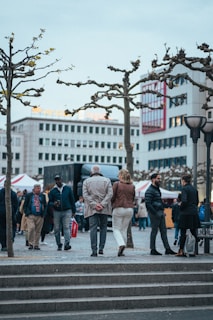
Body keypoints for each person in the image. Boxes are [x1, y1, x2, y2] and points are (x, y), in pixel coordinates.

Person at [83, 164, 113, 257]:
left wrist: (94, 204)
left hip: (92, 209)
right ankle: (101, 248)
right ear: (100, 172)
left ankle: (94, 250)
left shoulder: (86, 181)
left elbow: (85, 195)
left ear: (92, 172)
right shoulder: (107, 180)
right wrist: (102, 204)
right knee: (103, 227)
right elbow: (110, 194)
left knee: (93, 228)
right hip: (104, 209)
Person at [145, 173, 176, 256]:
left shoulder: (156, 189)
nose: (160, 180)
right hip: (155, 213)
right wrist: (155, 213)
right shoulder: (150, 190)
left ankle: (167, 249)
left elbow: (158, 202)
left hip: (160, 212)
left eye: (159, 178)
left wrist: (167, 206)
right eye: (158, 178)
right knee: (154, 231)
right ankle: (153, 249)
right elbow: (148, 203)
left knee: (163, 231)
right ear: (153, 179)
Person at [48, 174, 76, 251]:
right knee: (57, 229)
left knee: (66, 227)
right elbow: (49, 202)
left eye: (59, 179)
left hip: (67, 210)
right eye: (56, 180)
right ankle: (59, 244)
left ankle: (67, 244)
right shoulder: (53, 191)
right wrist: (54, 203)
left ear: (61, 179)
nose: (58, 181)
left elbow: (72, 200)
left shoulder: (67, 189)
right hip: (57, 211)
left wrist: (73, 210)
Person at [111, 169, 135, 257]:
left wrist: (111, 204)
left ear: (121, 176)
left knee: (116, 229)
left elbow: (112, 196)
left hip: (119, 208)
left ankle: (121, 244)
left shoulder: (117, 184)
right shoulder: (132, 186)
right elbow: (133, 197)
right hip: (129, 209)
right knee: (124, 229)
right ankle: (122, 248)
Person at [176, 174, 200, 257]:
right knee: (193, 230)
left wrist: (180, 206)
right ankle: (194, 246)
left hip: (185, 213)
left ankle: (181, 250)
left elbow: (184, 201)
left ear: (183, 180)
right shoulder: (194, 189)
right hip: (193, 212)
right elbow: (197, 201)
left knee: (183, 232)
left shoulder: (184, 189)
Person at [24, 184, 47, 250]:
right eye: (37, 188)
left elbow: (45, 205)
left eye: (39, 188)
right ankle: (30, 243)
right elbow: (25, 205)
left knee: (38, 230)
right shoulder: (29, 195)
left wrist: (44, 214)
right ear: (34, 189)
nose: (39, 189)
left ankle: (36, 244)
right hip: (31, 215)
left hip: (40, 215)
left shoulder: (42, 196)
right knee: (31, 228)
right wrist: (27, 212)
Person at [0, 181, 18, 251]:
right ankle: (6, 244)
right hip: (4, 215)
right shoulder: (12, 193)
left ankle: (6, 244)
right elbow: (16, 205)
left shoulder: (12, 194)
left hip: (9, 215)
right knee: (5, 229)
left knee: (8, 229)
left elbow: (16, 204)